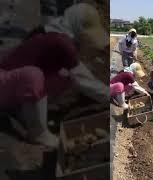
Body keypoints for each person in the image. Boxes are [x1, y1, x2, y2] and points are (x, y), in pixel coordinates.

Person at [0, 3, 108, 148]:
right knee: (34, 76)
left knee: (64, 77)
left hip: (11, 86)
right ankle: (38, 133)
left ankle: (26, 112)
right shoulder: (61, 43)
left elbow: (78, 73)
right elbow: (84, 80)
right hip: (4, 85)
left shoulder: (53, 32)